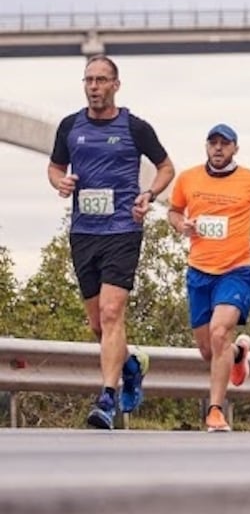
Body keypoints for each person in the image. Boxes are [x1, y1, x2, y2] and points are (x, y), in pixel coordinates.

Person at [47, 55, 175, 430]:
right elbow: (55, 168)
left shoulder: (135, 127)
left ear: (116, 85)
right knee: (97, 324)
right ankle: (131, 363)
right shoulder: (70, 127)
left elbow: (166, 166)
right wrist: (61, 182)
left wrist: (148, 194)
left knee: (111, 312)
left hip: (122, 229)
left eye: (102, 80)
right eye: (88, 80)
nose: (94, 87)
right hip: (84, 232)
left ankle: (107, 397)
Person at [167, 124, 250, 432]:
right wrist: (181, 225)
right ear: (206, 146)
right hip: (199, 271)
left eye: (224, 144)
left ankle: (215, 410)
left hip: (236, 270)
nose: (218, 148)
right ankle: (239, 354)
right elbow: (174, 212)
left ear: (234, 149)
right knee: (207, 349)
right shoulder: (188, 178)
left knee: (219, 334)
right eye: (213, 143)